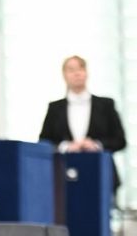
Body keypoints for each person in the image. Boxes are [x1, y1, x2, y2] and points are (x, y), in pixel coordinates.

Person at [39, 55, 126, 192]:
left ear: (86, 73)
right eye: (71, 70)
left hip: (102, 173)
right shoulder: (55, 108)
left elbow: (120, 140)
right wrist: (66, 146)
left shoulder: (106, 105)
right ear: (64, 75)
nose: (77, 73)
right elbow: (44, 141)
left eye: (81, 68)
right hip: (65, 175)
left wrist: (96, 145)